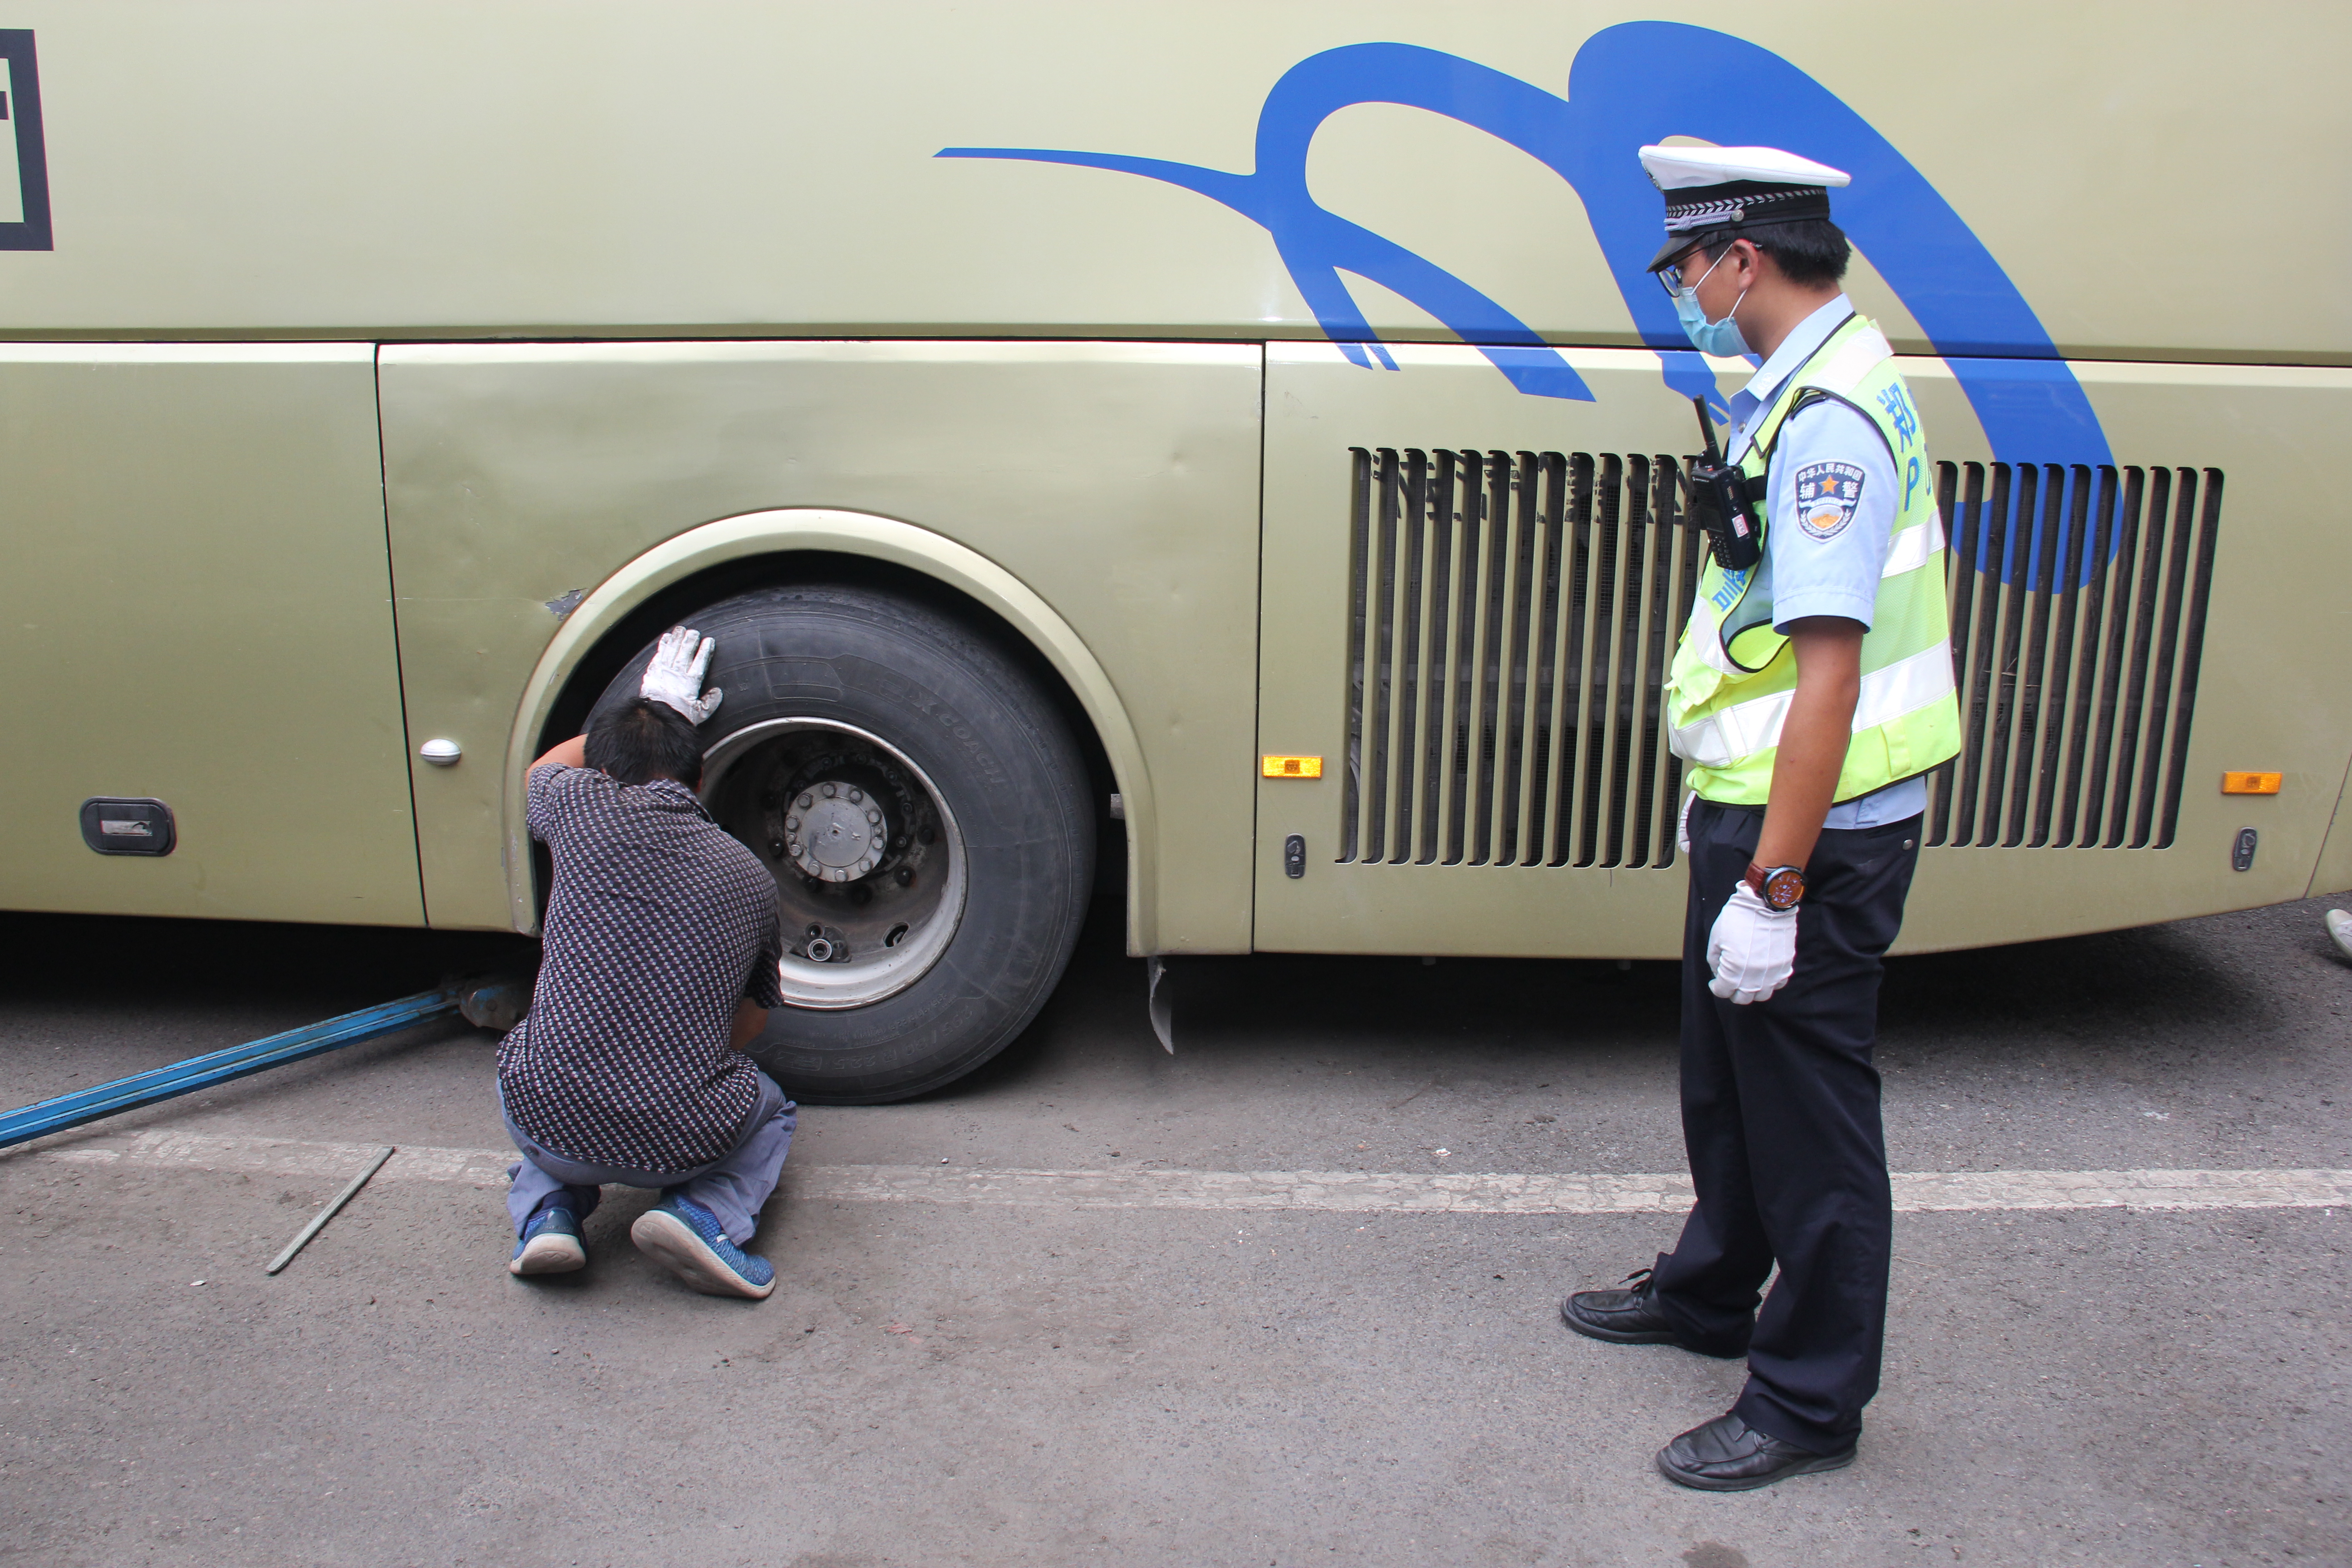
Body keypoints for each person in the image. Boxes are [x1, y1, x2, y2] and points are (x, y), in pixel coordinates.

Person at [1557, 146, 1961, 1490]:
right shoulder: (1792, 395)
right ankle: (1713, 1290)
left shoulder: (1830, 424)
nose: (1678, 286)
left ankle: (1806, 1402)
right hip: (1763, 809)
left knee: (1812, 1126)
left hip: (1820, 833)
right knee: (1728, 1085)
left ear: (1747, 259)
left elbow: (1832, 680)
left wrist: (1775, 890)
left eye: (1687, 265)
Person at [499, 625, 794, 1300]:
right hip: (680, 1142)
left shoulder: (577, 809)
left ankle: (549, 1212)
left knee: (535, 1056)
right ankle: (704, 1213)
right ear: (699, 780)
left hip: (545, 1121)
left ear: (601, 773)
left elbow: (541, 769)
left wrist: (647, 704)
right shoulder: (750, 878)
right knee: (771, 1108)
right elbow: (747, 1030)